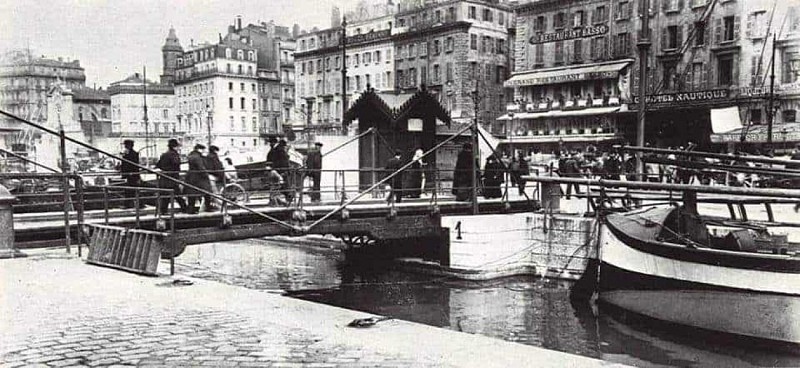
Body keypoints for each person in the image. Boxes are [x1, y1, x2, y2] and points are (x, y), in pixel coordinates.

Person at [155, 139, 186, 214]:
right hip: (172, 177)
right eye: (178, 146)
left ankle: (164, 211)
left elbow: (158, 165)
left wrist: (165, 168)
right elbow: (176, 163)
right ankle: (184, 208)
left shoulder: (164, 154)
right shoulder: (173, 154)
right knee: (176, 194)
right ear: (175, 147)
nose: (179, 148)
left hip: (165, 177)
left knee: (167, 195)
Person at [185, 144, 214, 214]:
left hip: (191, 177)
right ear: (199, 149)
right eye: (203, 149)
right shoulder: (197, 157)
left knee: (192, 194)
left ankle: (190, 209)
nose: (204, 151)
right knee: (207, 191)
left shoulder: (191, 156)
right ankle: (208, 207)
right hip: (199, 178)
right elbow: (201, 168)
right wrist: (207, 175)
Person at [119, 139, 141, 208]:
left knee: (130, 190)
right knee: (131, 190)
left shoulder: (131, 154)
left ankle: (129, 204)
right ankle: (134, 204)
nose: (125, 146)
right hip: (131, 175)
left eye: (126, 145)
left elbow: (133, 165)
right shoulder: (129, 153)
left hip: (132, 175)